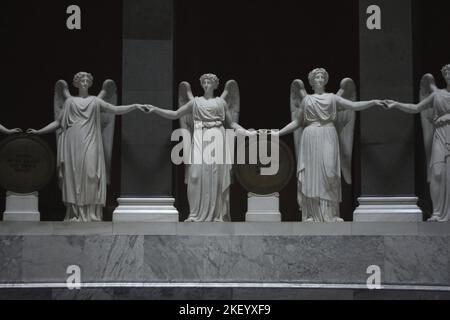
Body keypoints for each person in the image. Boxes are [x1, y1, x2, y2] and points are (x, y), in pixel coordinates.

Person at [27, 72, 149, 222]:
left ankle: (91, 212)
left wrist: (135, 106)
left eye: (87, 80)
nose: (84, 82)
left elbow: (115, 110)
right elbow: (58, 123)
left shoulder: (95, 101)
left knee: (91, 174)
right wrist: (40, 132)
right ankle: (74, 213)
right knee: (73, 176)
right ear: (76, 83)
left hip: (91, 140)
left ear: (90, 83)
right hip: (72, 141)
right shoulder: (69, 102)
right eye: (81, 80)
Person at [274, 68, 384, 222]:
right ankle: (312, 214)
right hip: (310, 136)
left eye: (321, 77)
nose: (319, 79)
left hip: (328, 134)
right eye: (316, 77)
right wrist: (278, 133)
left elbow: (353, 106)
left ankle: (330, 214)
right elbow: (297, 123)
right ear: (312, 82)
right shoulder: (306, 100)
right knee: (312, 175)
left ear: (325, 80)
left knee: (330, 172)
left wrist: (372, 102)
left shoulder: (333, 98)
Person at [145, 74, 253, 222]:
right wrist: (156, 109)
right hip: (200, 138)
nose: (207, 84)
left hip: (217, 138)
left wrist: (246, 132)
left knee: (216, 176)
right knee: (195, 175)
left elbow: (231, 124)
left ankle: (216, 214)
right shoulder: (195, 102)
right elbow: (176, 114)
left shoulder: (221, 102)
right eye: (205, 82)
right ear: (202, 85)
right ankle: (194, 213)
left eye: (210, 82)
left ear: (215, 85)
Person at [386, 64, 450, 222]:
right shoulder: (437, 95)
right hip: (441, 136)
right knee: (437, 173)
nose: (449, 75)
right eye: (447, 73)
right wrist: (397, 104)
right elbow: (416, 108)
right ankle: (437, 212)